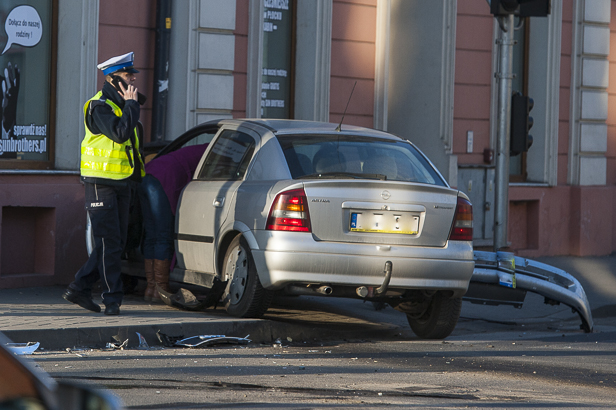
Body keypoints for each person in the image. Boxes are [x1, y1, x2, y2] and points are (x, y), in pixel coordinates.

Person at [63, 52, 145, 315]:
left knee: (113, 243)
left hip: (121, 182)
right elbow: (120, 134)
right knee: (110, 244)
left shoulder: (121, 104)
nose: (133, 78)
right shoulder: (100, 107)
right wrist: (132, 105)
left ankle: (79, 287)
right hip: (100, 183)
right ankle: (112, 300)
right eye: (127, 75)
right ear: (112, 79)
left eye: (133, 74)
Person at [139, 143, 208, 302]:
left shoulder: (202, 147)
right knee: (163, 236)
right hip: (164, 178)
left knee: (151, 235)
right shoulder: (219, 151)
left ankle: (150, 289)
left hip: (148, 173)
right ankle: (161, 289)